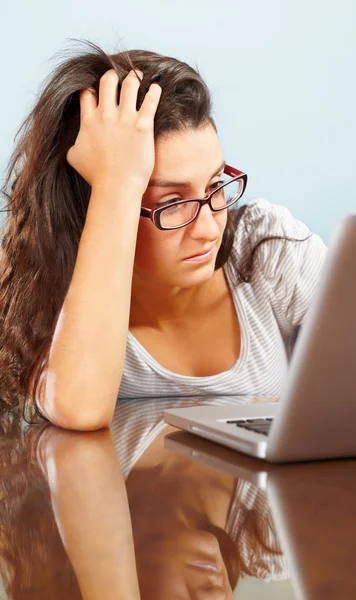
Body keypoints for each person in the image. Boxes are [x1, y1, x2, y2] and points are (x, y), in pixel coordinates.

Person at [0, 40, 328, 430]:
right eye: (172, 203)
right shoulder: (45, 292)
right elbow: (80, 409)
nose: (208, 230)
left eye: (215, 185)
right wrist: (116, 182)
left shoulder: (265, 249)